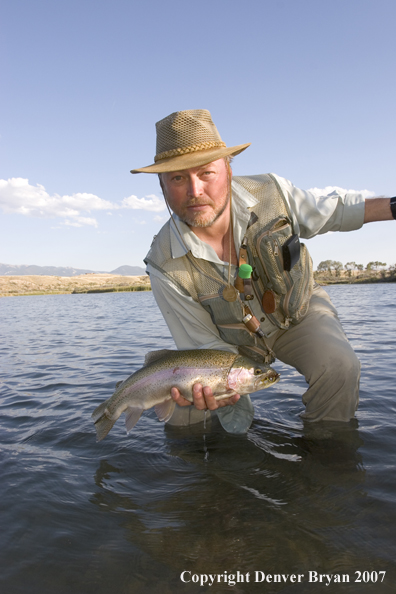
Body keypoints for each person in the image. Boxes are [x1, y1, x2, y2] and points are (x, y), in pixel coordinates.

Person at [131, 109, 395, 434]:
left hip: (298, 312)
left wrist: (393, 208)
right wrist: (222, 389)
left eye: (206, 173)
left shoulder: (273, 193)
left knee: (339, 367)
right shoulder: (162, 264)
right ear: (161, 185)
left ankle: (329, 456)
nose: (194, 190)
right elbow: (203, 342)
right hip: (228, 345)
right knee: (185, 420)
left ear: (227, 170)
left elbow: (337, 211)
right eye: (177, 178)